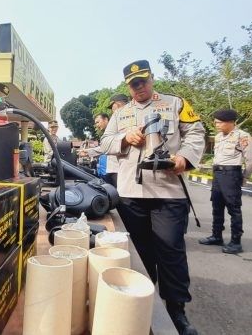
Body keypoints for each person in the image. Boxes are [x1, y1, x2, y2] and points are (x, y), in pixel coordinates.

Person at [101, 60, 205, 335]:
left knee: (170, 251)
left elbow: (196, 133)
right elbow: (105, 142)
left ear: (152, 79)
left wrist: (185, 157)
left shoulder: (175, 104)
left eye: (143, 81)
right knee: (140, 254)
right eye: (133, 84)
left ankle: (176, 310)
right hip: (131, 194)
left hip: (168, 192)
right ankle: (142, 306)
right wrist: (125, 138)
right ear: (127, 86)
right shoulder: (121, 113)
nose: (139, 87)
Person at [199, 109, 252, 254]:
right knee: (216, 206)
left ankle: (236, 242)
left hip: (231, 174)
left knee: (233, 208)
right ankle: (216, 236)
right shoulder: (218, 137)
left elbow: (250, 159)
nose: (216, 124)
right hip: (218, 173)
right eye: (216, 122)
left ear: (230, 122)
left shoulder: (242, 136)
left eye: (219, 122)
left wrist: (245, 177)